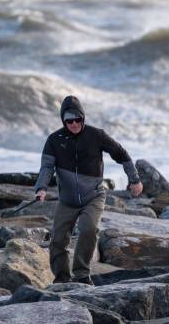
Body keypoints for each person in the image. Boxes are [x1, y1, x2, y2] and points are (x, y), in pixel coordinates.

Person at [33, 95, 143, 284]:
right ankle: (62, 278)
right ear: (63, 120)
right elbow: (46, 168)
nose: (74, 123)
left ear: (83, 118)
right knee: (58, 240)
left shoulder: (96, 135)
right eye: (69, 120)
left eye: (78, 119)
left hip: (93, 196)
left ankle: (82, 274)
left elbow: (121, 154)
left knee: (89, 228)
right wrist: (41, 188)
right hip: (67, 200)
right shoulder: (54, 140)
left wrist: (134, 179)